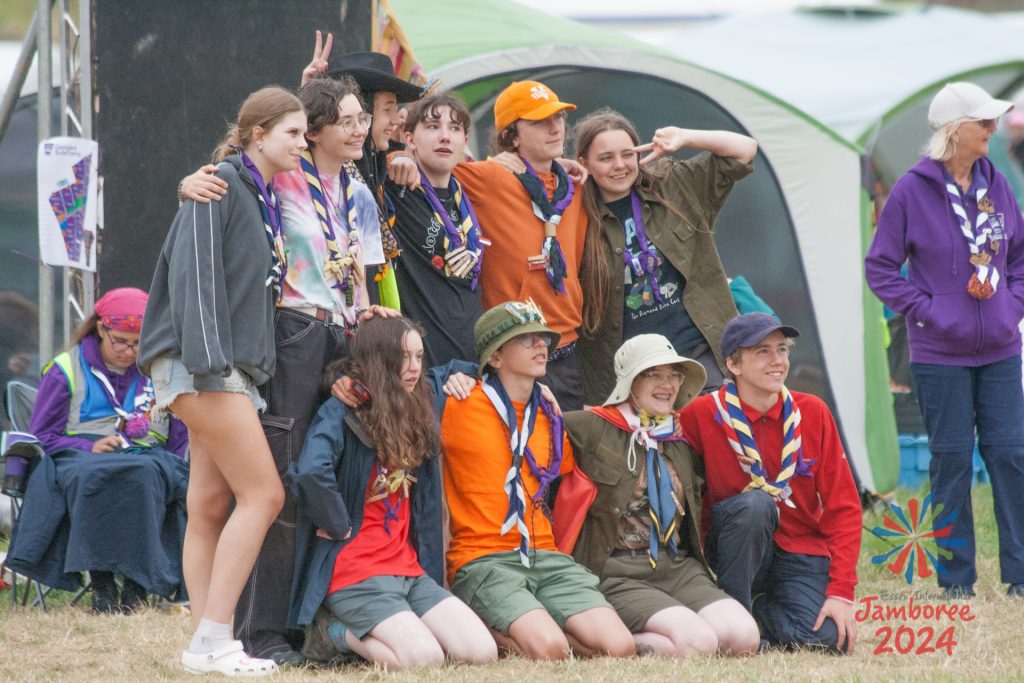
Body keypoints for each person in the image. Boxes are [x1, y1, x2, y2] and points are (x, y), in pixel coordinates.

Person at [139, 86, 309, 676]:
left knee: (210, 503)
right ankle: (214, 637)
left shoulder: (254, 190)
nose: (303, 141)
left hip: (220, 366)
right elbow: (196, 282)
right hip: (205, 364)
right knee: (265, 495)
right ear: (257, 135)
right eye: (292, 132)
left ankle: (204, 645)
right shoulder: (219, 185)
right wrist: (213, 367)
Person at [865, 82, 1024, 599]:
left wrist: (1011, 307)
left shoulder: (996, 183)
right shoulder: (911, 191)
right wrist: (930, 312)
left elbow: (1018, 258)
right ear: (955, 131)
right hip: (939, 355)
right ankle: (957, 582)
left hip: (1000, 349)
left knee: (1011, 456)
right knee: (951, 460)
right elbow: (881, 268)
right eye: (983, 122)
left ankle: (1020, 576)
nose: (993, 130)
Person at [290, 317, 497, 669]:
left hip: (408, 570)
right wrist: (338, 524)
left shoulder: (418, 401)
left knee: (481, 652)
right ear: (380, 358)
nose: (414, 367)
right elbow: (311, 470)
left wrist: (460, 376)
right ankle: (332, 633)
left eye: (419, 357)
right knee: (424, 659)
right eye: (404, 357)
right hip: (355, 570)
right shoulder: (343, 410)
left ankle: (389, 627)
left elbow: (480, 364)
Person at [439, 299, 635, 660]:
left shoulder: (549, 413)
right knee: (550, 650)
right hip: (484, 558)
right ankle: (492, 625)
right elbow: (400, 381)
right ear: (495, 358)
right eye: (526, 339)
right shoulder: (458, 402)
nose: (541, 345)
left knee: (620, 647)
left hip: (545, 555)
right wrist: (449, 375)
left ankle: (541, 624)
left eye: (543, 339)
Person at [564, 334, 760, 657]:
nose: (666, 384)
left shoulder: (679, 436)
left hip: (677, 567)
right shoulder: (593, 427)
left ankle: (655, 640)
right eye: (653, 374)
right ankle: (616, 639)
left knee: (743, 636)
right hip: (618, 572)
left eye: (673, 375)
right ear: (630, 383)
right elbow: (537, 425)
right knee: (698, 643)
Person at [679, 313, 861, 653]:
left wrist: (841, 592)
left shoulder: (813, 412)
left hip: (800, 549)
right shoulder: (701, 414)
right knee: (756, 503)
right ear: (733, 363)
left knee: (830, 642)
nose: (778, 361)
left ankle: (759, 614)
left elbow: (844, 506)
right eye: (763, 352)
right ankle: (735, 619)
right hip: (737, 545)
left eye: (782, 350)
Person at [8, 288, 188, 614]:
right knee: (96, 475)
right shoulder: (65, 368)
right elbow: (43, 436)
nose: (128, 351)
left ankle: (136, 588)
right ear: (100, 328)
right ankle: (102, 585)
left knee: (148, 474)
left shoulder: (163, 370)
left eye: (137, 343)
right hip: (80, 456)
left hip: (146, 456)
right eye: (119, 340)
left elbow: (179, 439)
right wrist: (88, 445)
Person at [573, 108, 757, 405]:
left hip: (697, 352)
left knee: (713, 433)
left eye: (627, 154)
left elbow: (745, 150)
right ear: (584, 163)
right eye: (606, 158)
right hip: (632, 371)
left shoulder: (673, 185)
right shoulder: (573, 214)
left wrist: (685, 137)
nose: (619, 166)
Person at [451, 82, 589, 410]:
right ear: (511, 136)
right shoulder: (491, 177)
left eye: (557, 118)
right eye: (539, 121)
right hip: (513, 349)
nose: (555, 127)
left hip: (567, 349)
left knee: (563, 451)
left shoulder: (575, 186)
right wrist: (494, 160)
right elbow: (430, 161)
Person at [384, 92, 485, 367]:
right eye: (432, 126)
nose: (445, 136)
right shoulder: (399, 185)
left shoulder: (465, 191)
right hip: (425, 367)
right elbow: (357, 156)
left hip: (474, 360)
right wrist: (395, 155)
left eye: (455, 128)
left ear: (465, 141)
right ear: (410, 138)